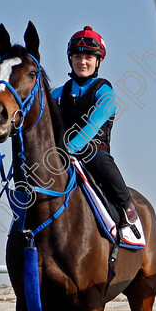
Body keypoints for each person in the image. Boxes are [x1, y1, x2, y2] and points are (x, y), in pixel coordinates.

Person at [51, 26, 138, 228]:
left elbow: (92, 126)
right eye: (77, 57)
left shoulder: (105, 92)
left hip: (93, 152)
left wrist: (67, 150)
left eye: (89, 57)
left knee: (100, 159)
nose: (82, 62)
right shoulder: (56, 94)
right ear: (70, 59)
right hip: (59, 155)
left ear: (98, 61)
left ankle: (127, 207)